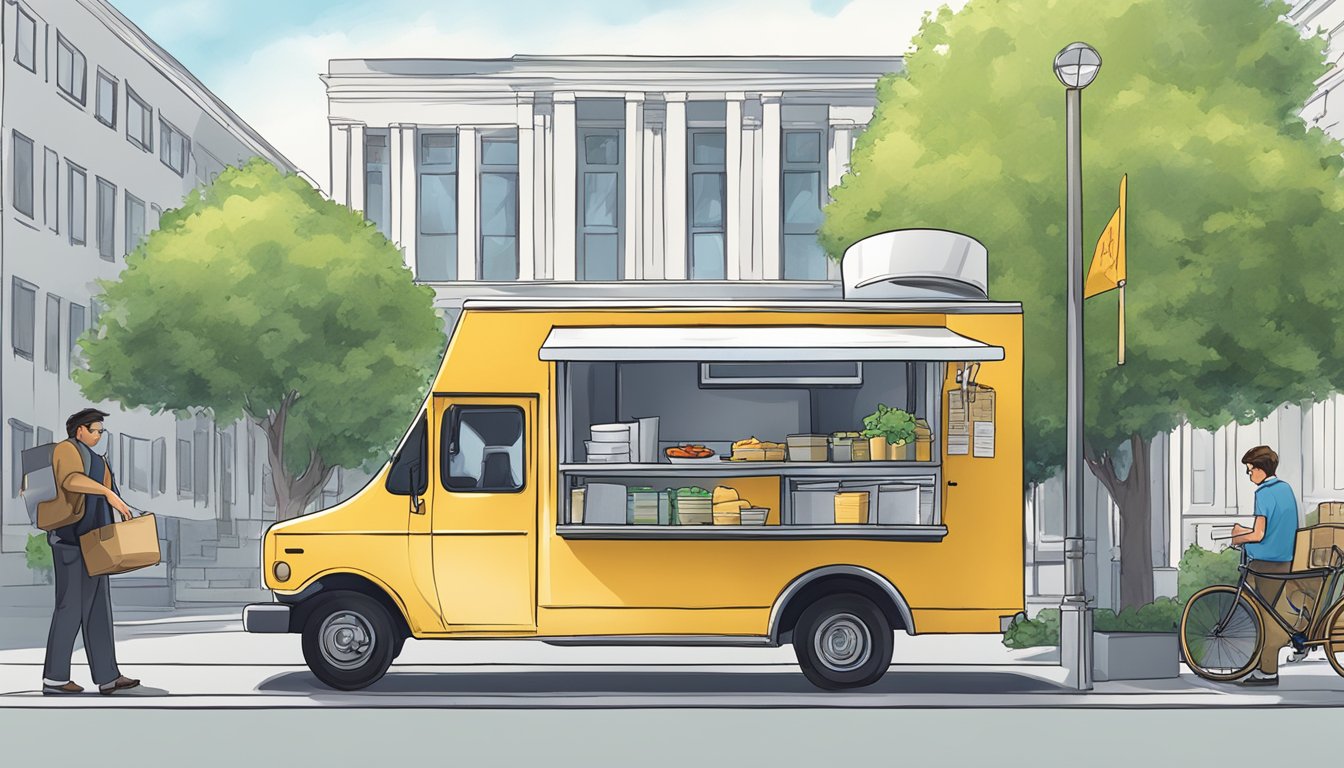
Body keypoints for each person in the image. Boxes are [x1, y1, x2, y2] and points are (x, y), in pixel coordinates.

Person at [41, 408, 142, 695]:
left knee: (98, 608)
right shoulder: (67, 449)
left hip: (96, 540)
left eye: (101, 431)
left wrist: (120, 506)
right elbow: (70, 480)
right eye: (94, 430)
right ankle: (55, 678)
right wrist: (108, 494)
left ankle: (108, 676)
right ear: (79, 430)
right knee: (70, 606)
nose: (98, 435)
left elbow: (108, 493)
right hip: (70, 539)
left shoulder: (99, 461)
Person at [1229, 445, 1299, 687]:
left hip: (1266, 562)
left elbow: (1259, 534)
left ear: (1260, 469)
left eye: (1250, 470)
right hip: (1285, 559)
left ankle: (1267, 670)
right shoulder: (1286, 489)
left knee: (1262, 616)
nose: (1249, 475)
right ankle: (1261, 664)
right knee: (1266, 611)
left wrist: (1239, 535)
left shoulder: (1264, 493)